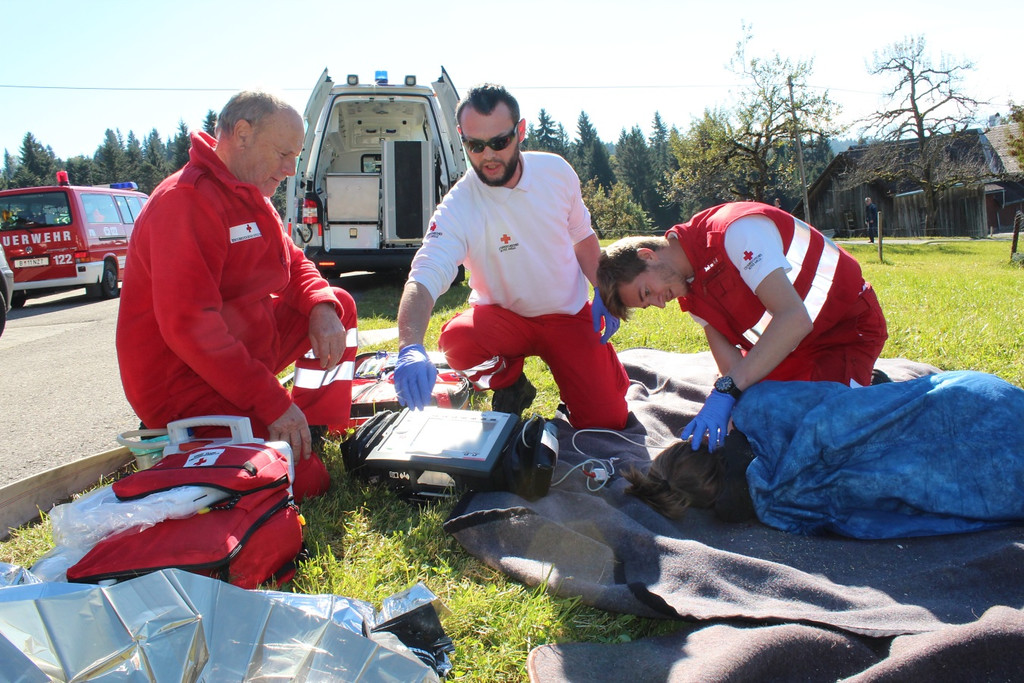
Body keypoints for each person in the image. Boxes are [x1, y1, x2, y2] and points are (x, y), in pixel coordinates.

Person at [116, 91, 359, 501]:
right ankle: (276, 432)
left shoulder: (250, 195)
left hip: (239, 355)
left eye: (296, 156)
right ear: (242, 135)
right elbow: (191, 329)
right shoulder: (185, 202)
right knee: (306, 481)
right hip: (184, 384)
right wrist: (271, 402)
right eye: (284, 154)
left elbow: (293, 261)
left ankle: (313, 425)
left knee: (338, 305)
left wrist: (319, 304)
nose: (290, 169)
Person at [392, 83, 629, 430]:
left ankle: (586, 381)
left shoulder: (556, 173)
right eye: (475, 145)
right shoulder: (458, 206)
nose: (488, 155)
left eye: (500, 142)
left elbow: (582, 237)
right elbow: (424, 276)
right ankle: (510, 385)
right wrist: (409, 346)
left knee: (607, 421)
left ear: (520, 131)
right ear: (462, 138)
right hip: (504, 319)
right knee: (457, 341)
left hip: (568, 314)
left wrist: (604, 290)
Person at [597, 201, 887, 451]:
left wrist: (728, 389)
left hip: (843, 331)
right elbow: (731, 365)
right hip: (788, 351)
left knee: (826, 436)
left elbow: (793, 318)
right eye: (648, 304)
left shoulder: (733, 232)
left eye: (647, 293)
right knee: (764, 422)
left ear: (647, 255)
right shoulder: (688, 288)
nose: (660, 304)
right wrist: (736, 403)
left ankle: (873, 389)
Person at [624, 370, 1024, 539]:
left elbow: (872, 521)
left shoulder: (778, 509)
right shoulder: (760, 405)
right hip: (973, 400)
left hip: (997, 483)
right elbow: (838, 400)